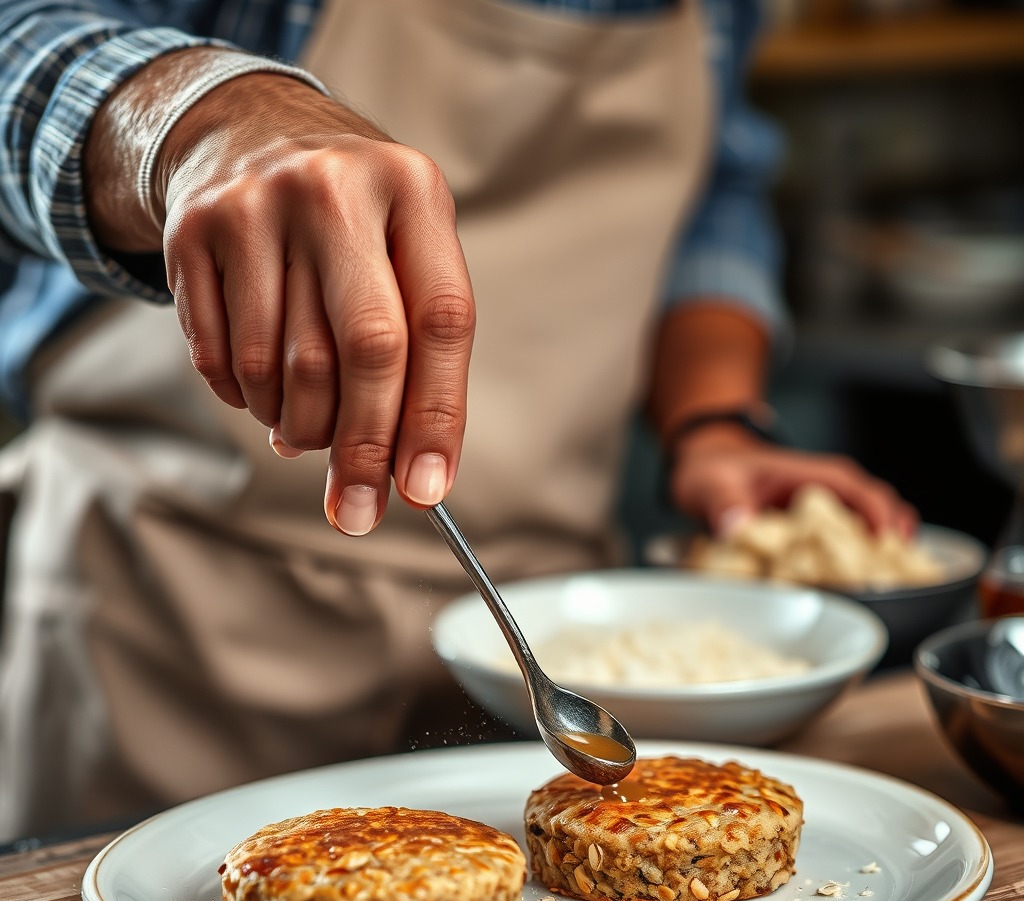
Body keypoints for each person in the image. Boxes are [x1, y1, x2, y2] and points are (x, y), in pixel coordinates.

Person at [0, 0, 914, 842]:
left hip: (539, 622)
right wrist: (198, 119)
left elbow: (718, 190)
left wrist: (712, 421)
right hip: (170, 605)